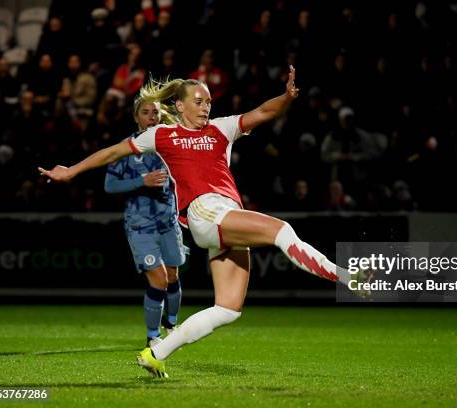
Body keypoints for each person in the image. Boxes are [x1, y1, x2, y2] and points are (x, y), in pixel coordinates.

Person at [38, 66, 371, 378]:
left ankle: (156, 353)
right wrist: (72, 171)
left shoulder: (221, 128)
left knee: (228, 309)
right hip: (205, 212)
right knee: (280, 230)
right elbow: (111, 153)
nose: (205, 107)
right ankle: (345, 276)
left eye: (208, 101)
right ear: (180, 106)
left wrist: (285, 98)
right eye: (198, 101)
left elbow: (264, 113)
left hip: (223, 219)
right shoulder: (161, 135)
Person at [104, 96, 188, 347]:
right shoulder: (125, 148)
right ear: (136, 117)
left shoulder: (172, 145)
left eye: (155, 112)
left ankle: (171, 322)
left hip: (168, 222)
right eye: (145, 112)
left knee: (172, 275)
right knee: (159, 278)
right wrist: (142, 181)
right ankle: (153, 336)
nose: (151, 116)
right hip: (140, 226)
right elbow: (109, 186)